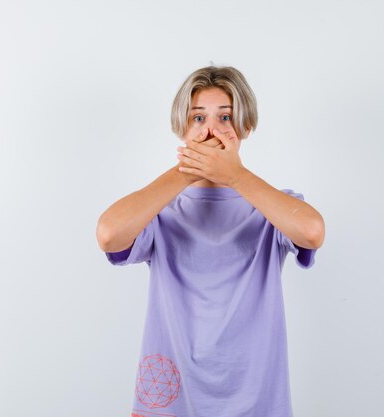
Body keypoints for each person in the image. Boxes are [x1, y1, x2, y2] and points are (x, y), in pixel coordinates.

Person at [96, 65, 325, 417]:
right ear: (182, 128)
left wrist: (236, 176)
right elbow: (109, 234)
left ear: (246, 127)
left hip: (257, 400)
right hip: (171, 401)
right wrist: (187, 169)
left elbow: (311, 231)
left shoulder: (270, 206)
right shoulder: (160, 211)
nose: (210, 130)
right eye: (198, 118)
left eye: (225, 118)